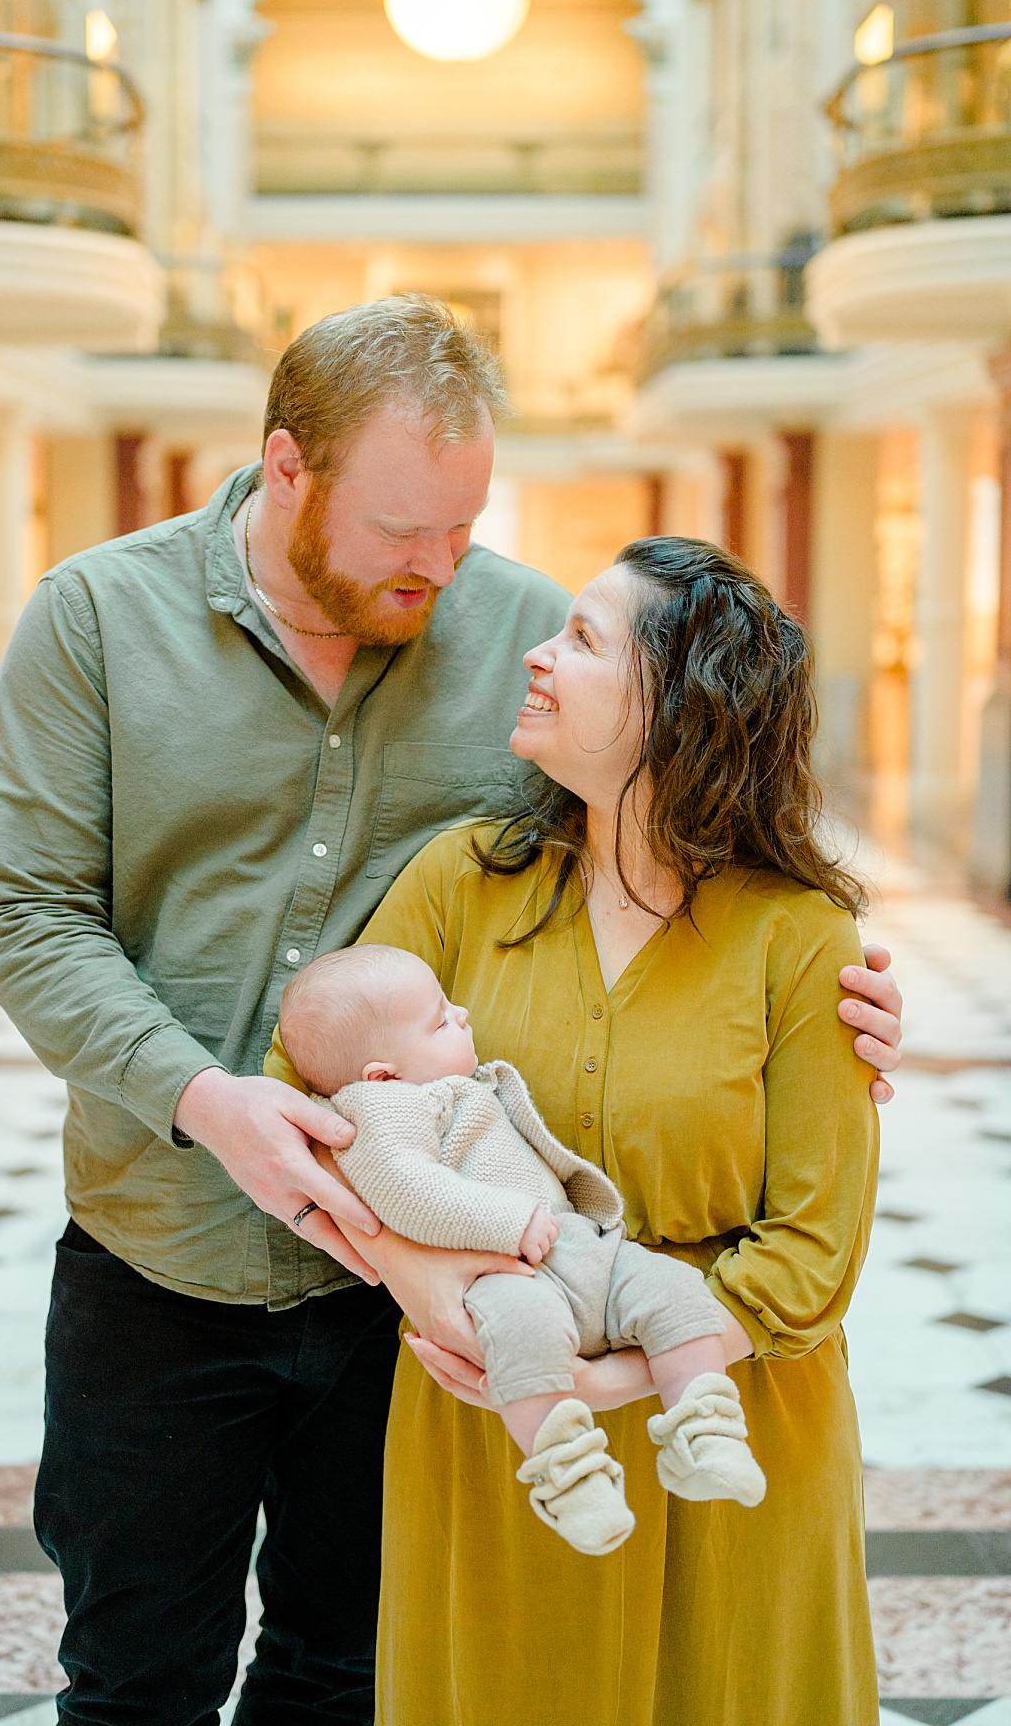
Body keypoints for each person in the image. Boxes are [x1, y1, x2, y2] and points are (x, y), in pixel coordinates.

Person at [0, 295, 903, 1723]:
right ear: (289, 469)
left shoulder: (525, 630)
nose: (442, 568)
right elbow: (24, 912)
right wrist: (209, 1101)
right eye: (405, 532)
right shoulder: (98, 617)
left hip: (404, 1301)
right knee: (134, 1675)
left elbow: (697, 822)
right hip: (164, 1254)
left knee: (347, 1670)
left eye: (464, 527)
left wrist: (832, 1004)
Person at [307, 537, 880, 1720]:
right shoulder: (460, 882)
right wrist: (439, 1298)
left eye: (581, 637)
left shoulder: (801, 934)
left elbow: (814, 1255)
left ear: (683, 700)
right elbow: (317, 1112)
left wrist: (619, 1376)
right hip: (498, 1417)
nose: (537, 653)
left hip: (735, 1413)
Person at [280, 946, 763, 1561]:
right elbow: (406, 1189)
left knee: (676, 1291)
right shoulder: (377, 1111)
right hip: (501, 1272)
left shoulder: (450, 1087)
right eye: (438, 1022)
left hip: (577, 1247)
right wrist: (507, 1222)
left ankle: (705, 1426)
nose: (461, 1014)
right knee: (524, 1343)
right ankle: (569, 1476)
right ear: (383, 1074)